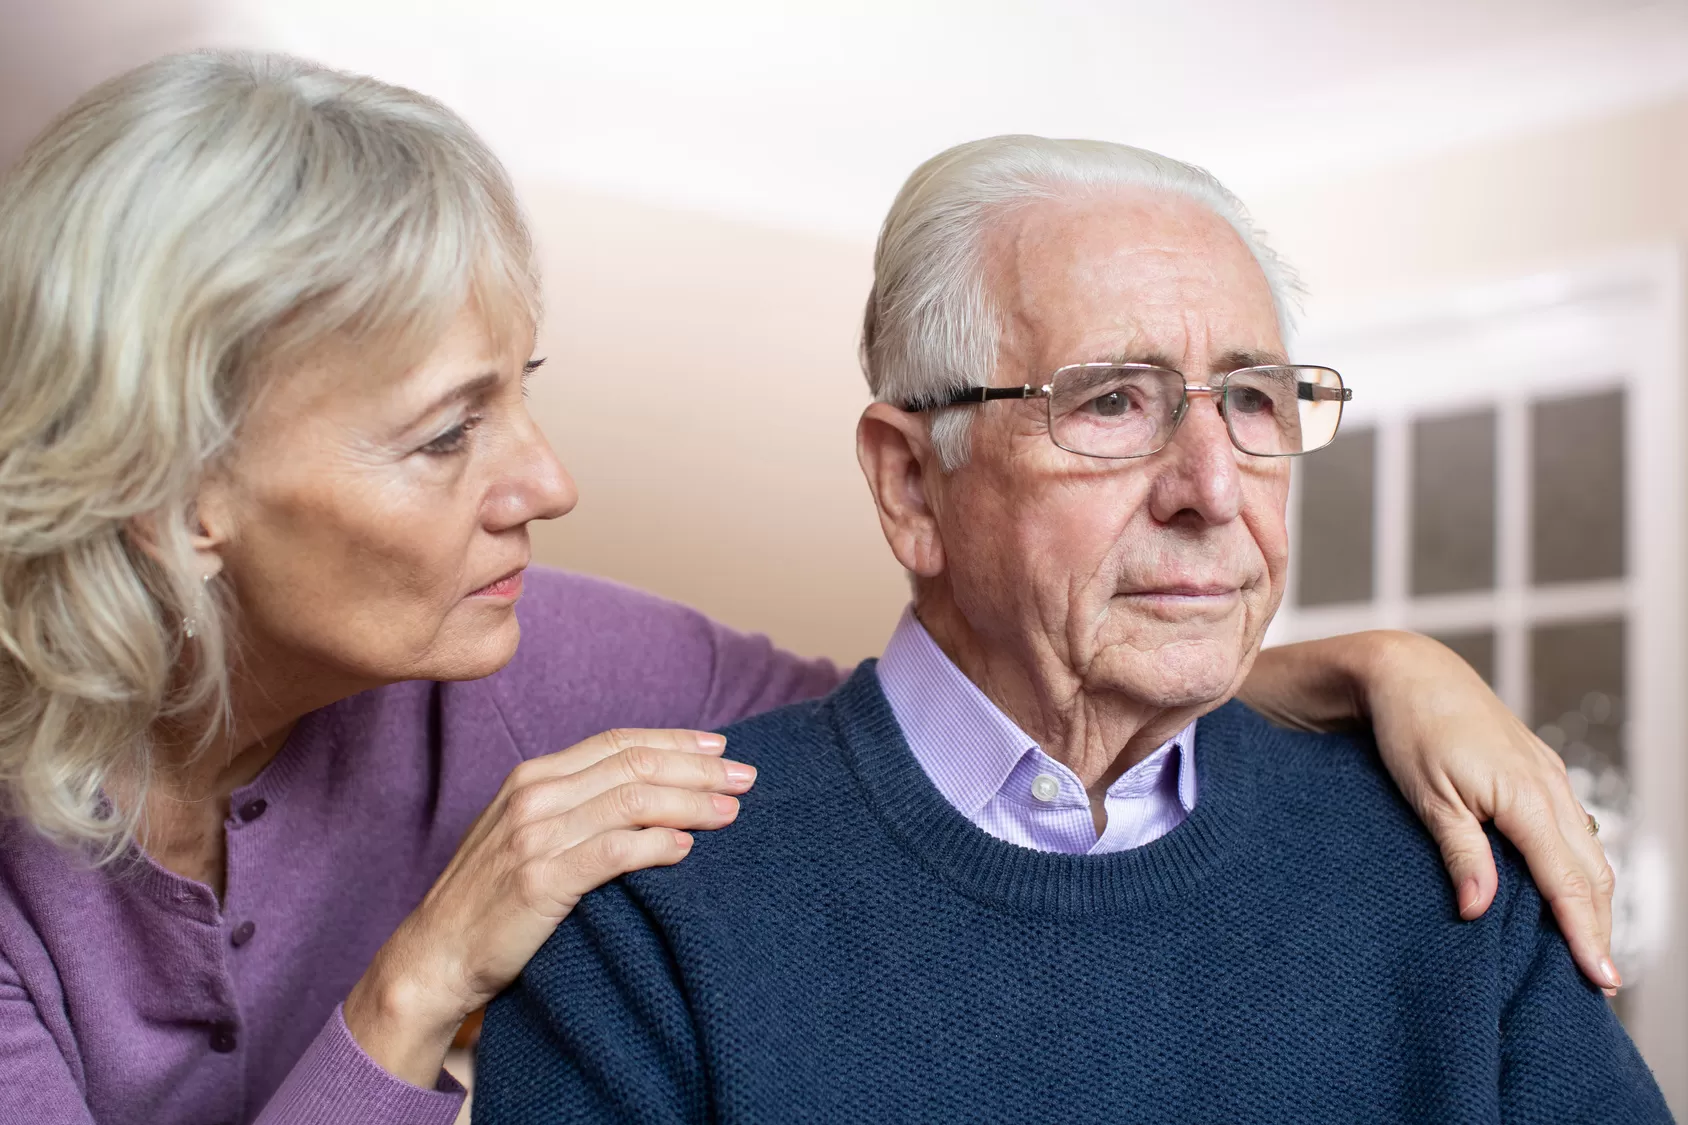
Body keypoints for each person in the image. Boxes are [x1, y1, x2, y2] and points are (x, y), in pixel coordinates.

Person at [0, 55, 1613, 1125]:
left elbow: (949, 726)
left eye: (1253, 402)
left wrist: (1370, 669)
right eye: (443, 434)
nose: (547, 484)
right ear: (179, 496)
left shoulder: (551, 659)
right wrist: (420, 981)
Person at [474, 136, 1667, 1123]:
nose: (1212, 486)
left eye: (1251, 400)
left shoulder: (1448, 862)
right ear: (908, 485)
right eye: (1109, 403)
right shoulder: (650, 915)